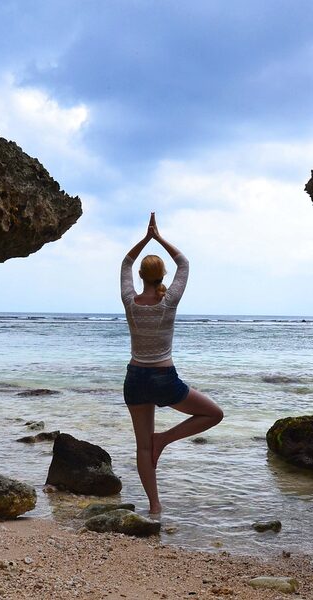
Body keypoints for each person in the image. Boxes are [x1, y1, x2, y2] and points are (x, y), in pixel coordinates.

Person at [120, 212, 223, 515]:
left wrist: (145, 238)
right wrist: (160, 238)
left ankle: (154, 506)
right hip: (164, 379)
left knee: (142, 446)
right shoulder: (169, 302)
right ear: (163, 276)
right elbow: (185, 264)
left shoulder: (129, 300)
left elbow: (125, 263)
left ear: (141, 276)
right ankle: (165, 439)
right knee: (214, 413)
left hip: (135, 378)